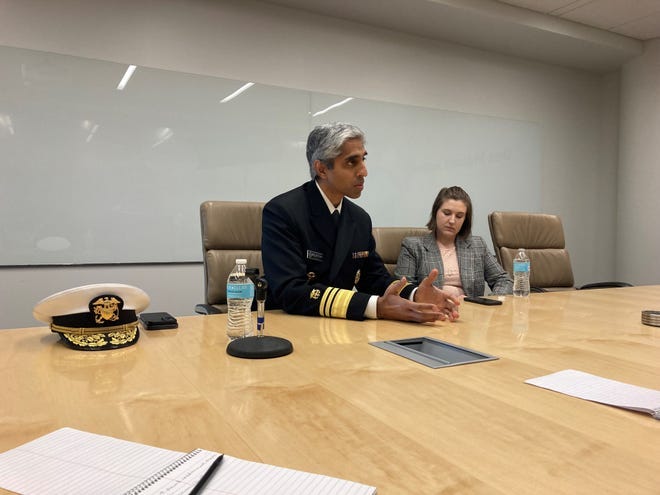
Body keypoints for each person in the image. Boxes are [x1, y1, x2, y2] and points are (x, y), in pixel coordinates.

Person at [261, 122, 459, 323]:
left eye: (363, 160)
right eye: (351, 162)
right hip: (287, 324)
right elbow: (291, 291)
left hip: (338, 327)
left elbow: (374, 278)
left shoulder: (359, 218)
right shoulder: (283, 212)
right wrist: (375, 307)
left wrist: (415, 294)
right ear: (321, 169)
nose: (364, 171)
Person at [395, 186, 512, 298]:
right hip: (431, 312)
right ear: (436, 212)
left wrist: (490, 301)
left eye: (459, 216)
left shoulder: (477, 245)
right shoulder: (413, 246)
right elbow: (402, 288)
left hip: (471, 312)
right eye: (446, 213)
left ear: (465, 220)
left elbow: (503, 280)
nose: (452, 220)